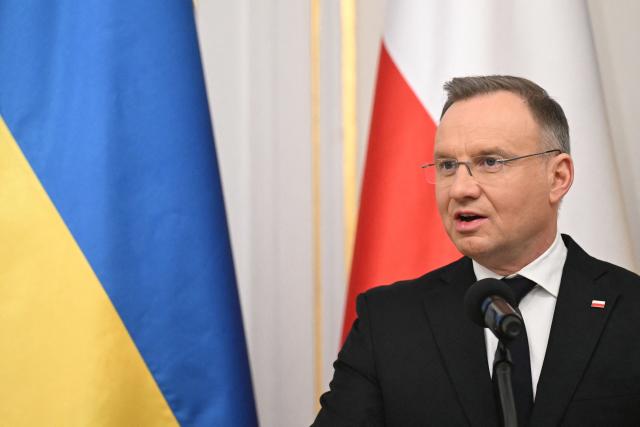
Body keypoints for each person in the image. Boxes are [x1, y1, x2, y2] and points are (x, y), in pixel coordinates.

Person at [313, 76, 640, 426]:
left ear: (557, 177)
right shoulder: (387, 323)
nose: (460, 189)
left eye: (490, 162)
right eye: (447, 166)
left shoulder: (631, 309)